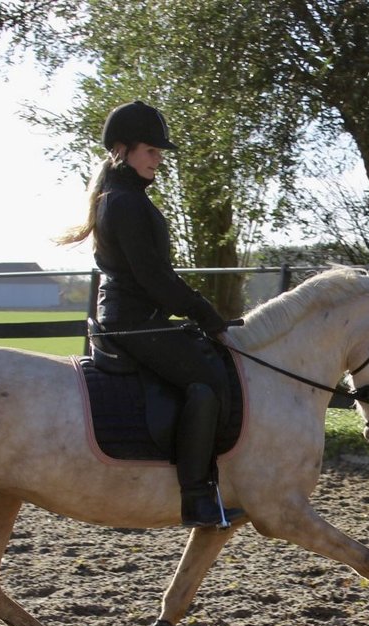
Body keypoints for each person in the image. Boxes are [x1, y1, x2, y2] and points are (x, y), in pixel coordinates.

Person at [59, 100, 242, 528]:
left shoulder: (125, 197)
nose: (159, 161)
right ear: (122, 150)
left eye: (160, 153)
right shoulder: (124, 202)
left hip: (137, 317)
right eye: (151, 152)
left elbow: (155, 277)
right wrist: (206, 316)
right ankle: (197, 497)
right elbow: (154, 277)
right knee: (207, 382)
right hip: (132, 322)